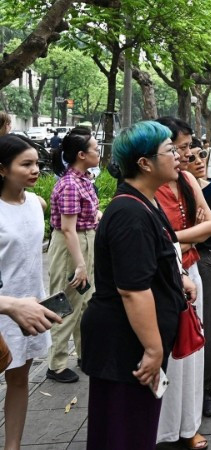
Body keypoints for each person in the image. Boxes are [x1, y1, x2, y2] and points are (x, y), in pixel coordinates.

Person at [80, 121, 196, 450]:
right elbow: (132, 289)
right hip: (125, 343)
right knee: (124, 432)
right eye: (170, 150)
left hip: (134, 338)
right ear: (144, 163)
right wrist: (153, 348)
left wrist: (179, 279)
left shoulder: (145, 203)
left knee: (136, 428)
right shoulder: (130, 213)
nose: (178, 156)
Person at [154, 117, 211, 450]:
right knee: (163, 355)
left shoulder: (188, 180)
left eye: (188, 146)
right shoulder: (145, 188)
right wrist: (182, 239)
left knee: (191, 353)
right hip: (160, 281)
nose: (187, 154)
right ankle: (159, 427)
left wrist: (169, 240)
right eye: (179, 148)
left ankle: (188, 425)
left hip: (191, 275)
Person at [0, 134, 58, 450]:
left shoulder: (36, 203)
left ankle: (13, 446)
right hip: (4, 308)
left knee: (19, 380)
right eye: (26, 164)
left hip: (29, 309)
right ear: (2, 169)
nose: (35, 169)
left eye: (37, 163)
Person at [46, 127, 101, 384]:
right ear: (81, 154)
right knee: (65, 303)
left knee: (86, 302)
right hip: (72, 245)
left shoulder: (83, 179)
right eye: (95, 148)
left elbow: (89, 216)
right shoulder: (69, 185)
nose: (99, 151)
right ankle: (56, 364)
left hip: (84, 241)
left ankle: (85, 354)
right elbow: (68, 229)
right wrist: (80, 264)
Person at [184, 142, 211, 418]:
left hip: (202, 259)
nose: (199, 160)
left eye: (201, 155)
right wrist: (191, 229)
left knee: (205, 323)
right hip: (171, 260)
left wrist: (191, 234)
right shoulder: (168, 191)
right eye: (190, 156)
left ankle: (206, 386)